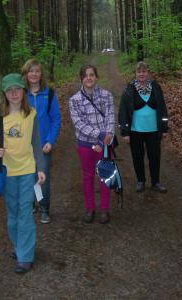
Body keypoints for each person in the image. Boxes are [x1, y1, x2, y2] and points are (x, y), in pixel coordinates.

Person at [0, 73, 46, 274]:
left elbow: (36, 143)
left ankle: (26, 256)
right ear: (4, 92)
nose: (14, 93)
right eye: (10, 90)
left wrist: (41, 168)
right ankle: (19, 246)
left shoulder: (31, 114)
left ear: (23, 91)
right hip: (7, 172)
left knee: (25, 213)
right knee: (12, 214)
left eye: (17, 89)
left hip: (28, 170)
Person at [69, 64, 115, 224]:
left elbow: (110, 117)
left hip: (104, 144)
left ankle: (104, 209)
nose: (89, 78)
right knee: (87, 176)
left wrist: (108, 136)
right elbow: (79, 123)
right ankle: (90, 208)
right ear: (81, 78)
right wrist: (99, 135)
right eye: (86, 75)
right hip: (85, 144)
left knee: (104, 176)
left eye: (92, 75)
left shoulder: (106, 95)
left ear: (96, 77)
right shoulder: (74, 100)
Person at [118, 61, 169, 193]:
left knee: (155, 156)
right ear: (135, 74)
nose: (142, 74)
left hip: (154, 130)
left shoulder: (156, 87)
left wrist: (164, 128)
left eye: (144, 71)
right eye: (139, 71)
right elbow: (123, 111)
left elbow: (162, 108)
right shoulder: (129, 89)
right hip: (135, 130)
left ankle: (156, 182)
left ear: (148, 73)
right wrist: (125, 132)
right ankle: (141, 181)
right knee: (137, 156)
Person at [21, 59, 61, 224]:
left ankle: (44, 208)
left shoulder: (49, 93)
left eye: (37, 71)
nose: (34, 74)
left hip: (44, 144)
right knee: (28, 176)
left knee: (41, 177)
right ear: (26, 74)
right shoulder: (21, 94)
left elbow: (55, 119)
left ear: (41, 74)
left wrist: (50, 141)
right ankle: (32, 203)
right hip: (24, 145)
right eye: (31, 71)